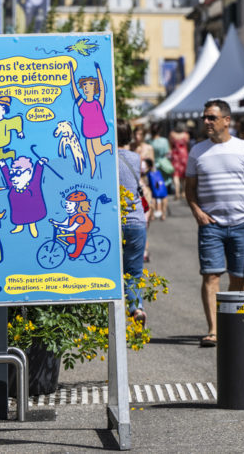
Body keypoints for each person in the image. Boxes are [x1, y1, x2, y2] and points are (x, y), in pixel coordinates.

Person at [186, 99, 244, 348]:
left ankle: (233, 326)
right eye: (205, 117)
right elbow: (189, 189)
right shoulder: (197, 151)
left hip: (241, 222)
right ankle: (213, 330)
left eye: (211, 117)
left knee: (238, 276)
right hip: (210, 224)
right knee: (211, 276)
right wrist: (197, 212)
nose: (206, 122)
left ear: (226, 120)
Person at [116, 120, 148, 325]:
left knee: (111, 270)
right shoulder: (135, 158)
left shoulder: (103, 158)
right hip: (136, 220)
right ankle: (136, 307)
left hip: (113, 221)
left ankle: (111, 314)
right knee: (134, 271)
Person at [69, 61, 113, 179]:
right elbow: (74, 90)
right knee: (90, 155)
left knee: (98, 151)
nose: (87, 88)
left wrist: (98, 70)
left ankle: (108, 146)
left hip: (96, 131)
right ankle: (92, 172)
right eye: (85, 86)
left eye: (90, 85)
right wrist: (71, 73)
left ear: (95, 88)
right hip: (87, 132)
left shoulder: (98, 102)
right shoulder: (81, 103)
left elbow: (103, 89)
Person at [169, 121, 190, 200]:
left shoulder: (172, 134)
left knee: (176, 175)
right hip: (184, 155)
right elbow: (187, 145)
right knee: (183, 175)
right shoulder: (186, 135)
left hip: (175, 155)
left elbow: (170, 145)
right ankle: (183, 192)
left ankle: (177, 192)